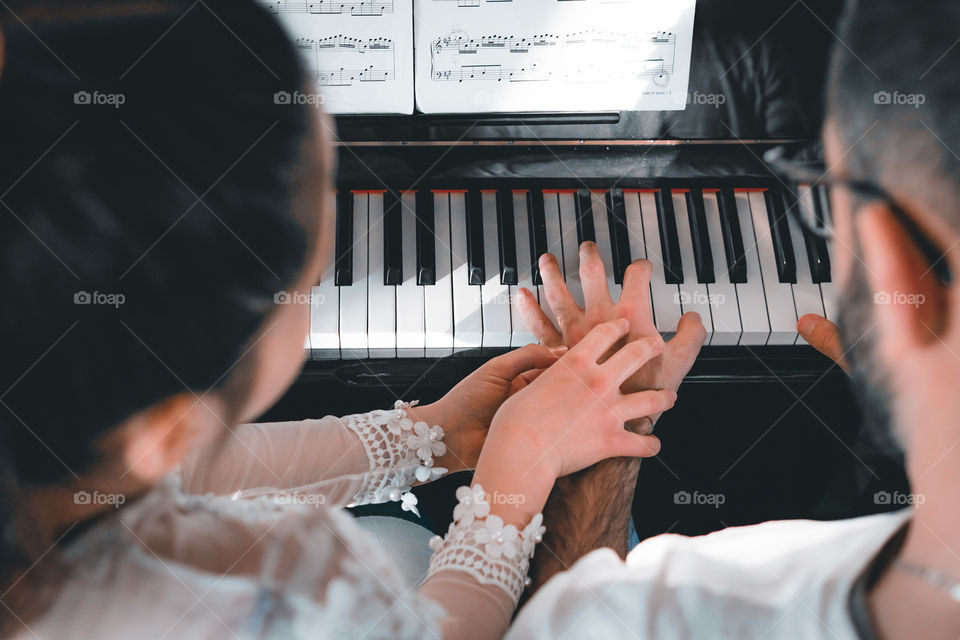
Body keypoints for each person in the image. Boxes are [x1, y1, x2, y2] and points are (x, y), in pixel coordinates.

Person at [0, 2, 702, 638]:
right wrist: (519, 471)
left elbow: (199, 472)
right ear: (167, 429)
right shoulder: (292, 590)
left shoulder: (60, 455)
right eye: (313, 271)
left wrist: (434, 435)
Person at [509, 1, 960, 638]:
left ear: (890, 267)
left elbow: (575, 625)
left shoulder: (704, 603)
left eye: (825, 198)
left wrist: (612, 430)